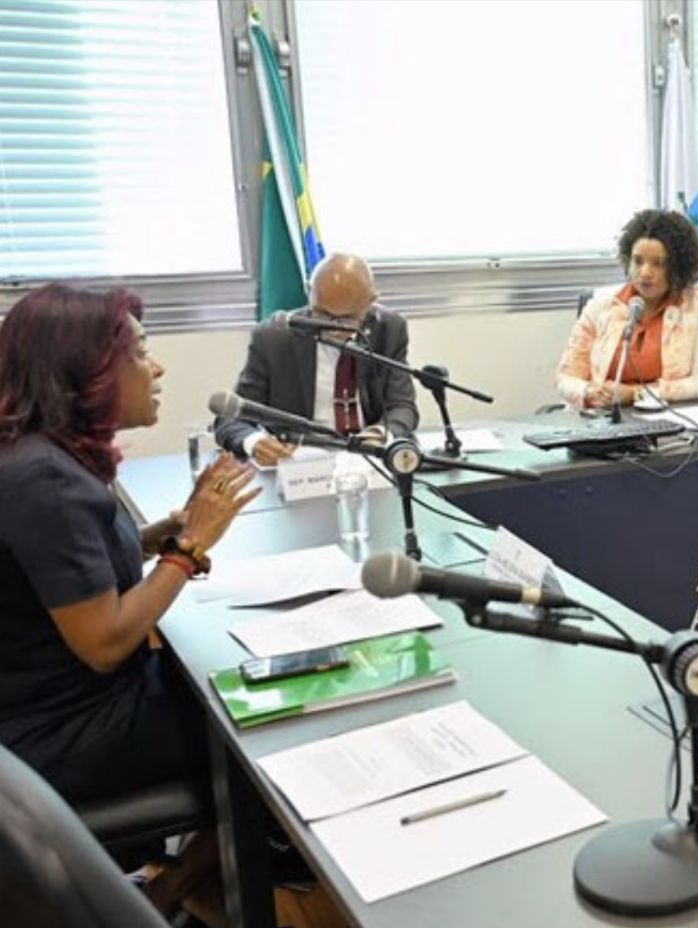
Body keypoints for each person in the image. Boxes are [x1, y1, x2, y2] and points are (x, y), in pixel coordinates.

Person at [0, 284, 259, 920]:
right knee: (265, 728)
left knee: (235, 674)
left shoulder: (40, 456)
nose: (157, 367)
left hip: (48, 705)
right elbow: (106, 643)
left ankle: (184, 883)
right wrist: (190, 548)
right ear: (87, 373)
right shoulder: (45, 480)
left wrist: (162, 533)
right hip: (65, 730)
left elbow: (71, 573)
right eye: (141, 353)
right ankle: (169, 893)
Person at [215, 252, 419, 464]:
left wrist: (379, 435)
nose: (334, 327)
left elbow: (403, 407)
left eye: (347, 318)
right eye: (322, 314)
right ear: (309, 292)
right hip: (299, 463)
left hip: (368, 461)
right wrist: (255, 442)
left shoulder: (389, 329)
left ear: (370, 302)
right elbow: (230, 418)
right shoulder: (274, 337)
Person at [555, 209, 698, 409]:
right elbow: (565, 378)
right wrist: (589, 391)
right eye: (638, 261)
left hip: (666, 416)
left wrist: (637, 394)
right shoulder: (603, 304)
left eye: (658, 264)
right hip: (602, 416)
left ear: (678, 268)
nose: (645, 273)